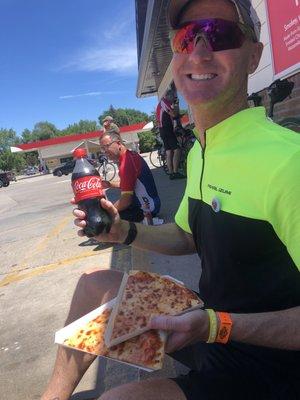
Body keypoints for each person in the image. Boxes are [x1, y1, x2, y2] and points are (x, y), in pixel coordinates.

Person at [42, 1, 300, 399]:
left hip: (265, 365)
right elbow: (186, 236)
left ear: (255, 57)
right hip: (208, 322)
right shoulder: (202, 151)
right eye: (186, 37)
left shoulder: (288, 162)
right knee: (94, 283)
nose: (198, 51)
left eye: (220, 34)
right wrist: (122, 231)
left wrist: (217, 325)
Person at [99, 132, 160, 223]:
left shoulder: (126, 163)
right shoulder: (129, 156)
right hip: (150, 203)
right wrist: (110, 184)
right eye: (103, 148)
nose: (105, 151)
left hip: (147, 209)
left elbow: (126, 201)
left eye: (107, 146)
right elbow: (129, 184)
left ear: (118, 143)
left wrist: (107, 211)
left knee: (106, 221)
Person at [156, 95, 185, 180]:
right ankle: (175, 172)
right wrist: (177, 113)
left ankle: (171, 173)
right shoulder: (164, 102)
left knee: (169, 152)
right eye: (173, 97)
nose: (173, 100)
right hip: (167, 129)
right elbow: (172, 113)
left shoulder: (161, 103)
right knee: (177, 149)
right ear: (169, 96)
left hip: (162, 130)